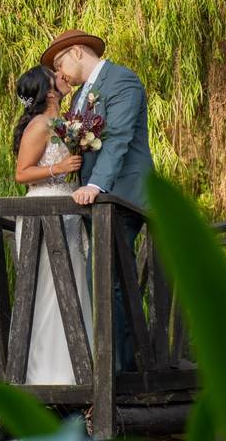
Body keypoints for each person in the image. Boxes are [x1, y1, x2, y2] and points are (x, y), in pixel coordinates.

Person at [42, 29, 154, 372]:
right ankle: (124, 366)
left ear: (77, 52)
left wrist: (96, 185)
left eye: (61, 63)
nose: (60, 74)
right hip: (96, 201)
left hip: (121, 195)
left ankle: (116, 372)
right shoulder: (79, 99)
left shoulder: (122, 81)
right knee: (110, 279)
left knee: (106, 279)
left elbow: (118, 137)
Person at [12, 65, 94, 384]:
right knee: (47, 291)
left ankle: (76, 370)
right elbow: (21, 173)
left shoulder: (63, 122)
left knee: (71, 285)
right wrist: (58, 168)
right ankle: (47, 375)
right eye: (55, 74)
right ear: (48, 91)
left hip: (67, 210)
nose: (62, 74)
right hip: (44, 211)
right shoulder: (40, 124)